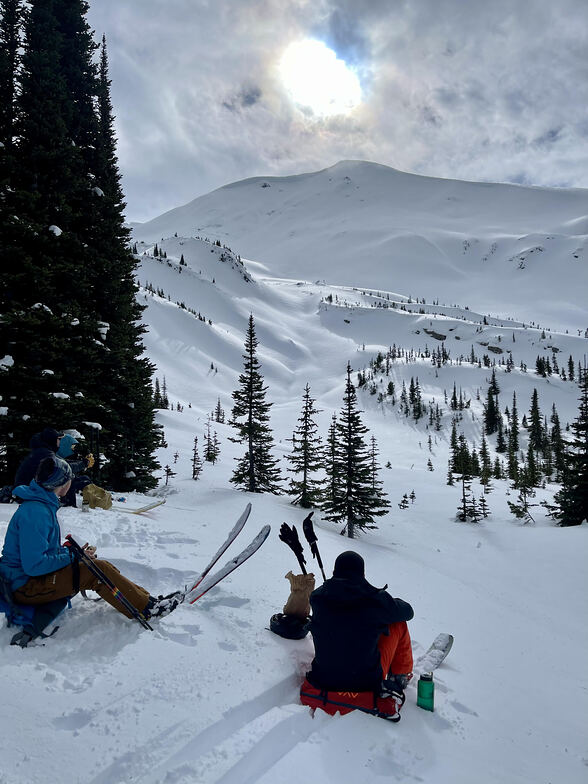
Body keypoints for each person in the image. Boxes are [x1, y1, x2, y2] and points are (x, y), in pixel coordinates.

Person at [0, 456, 180, 644]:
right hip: (24, 586)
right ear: (62, 483)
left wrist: (74, 554)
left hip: (26, 581)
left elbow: (46, 552)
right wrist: (71, 556)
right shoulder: (36, 513)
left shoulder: (41, 505)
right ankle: (147, 609)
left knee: (92, 565)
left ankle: (147, 601)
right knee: (96, 571)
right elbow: (34, 565)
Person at [306, 551, 414, 695]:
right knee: (397, 623)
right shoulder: (375, 600)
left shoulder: (317, 597)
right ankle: (400, 675)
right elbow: (408, 612)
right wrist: (391, 603)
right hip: (366, 682)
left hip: (323, 679)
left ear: (334, 572)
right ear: (363, 574)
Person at [56, 433, 94, 507]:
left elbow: (69, 463)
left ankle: (94, 496)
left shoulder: (60, 456)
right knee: (71, 481)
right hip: (58, 483)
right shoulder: (55, 457)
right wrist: (83, 463)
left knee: (85, 479)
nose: (74, 450)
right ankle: (68, 502)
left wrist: (84, 462)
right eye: (73, 447)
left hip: (62, 481)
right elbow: (67, 466)